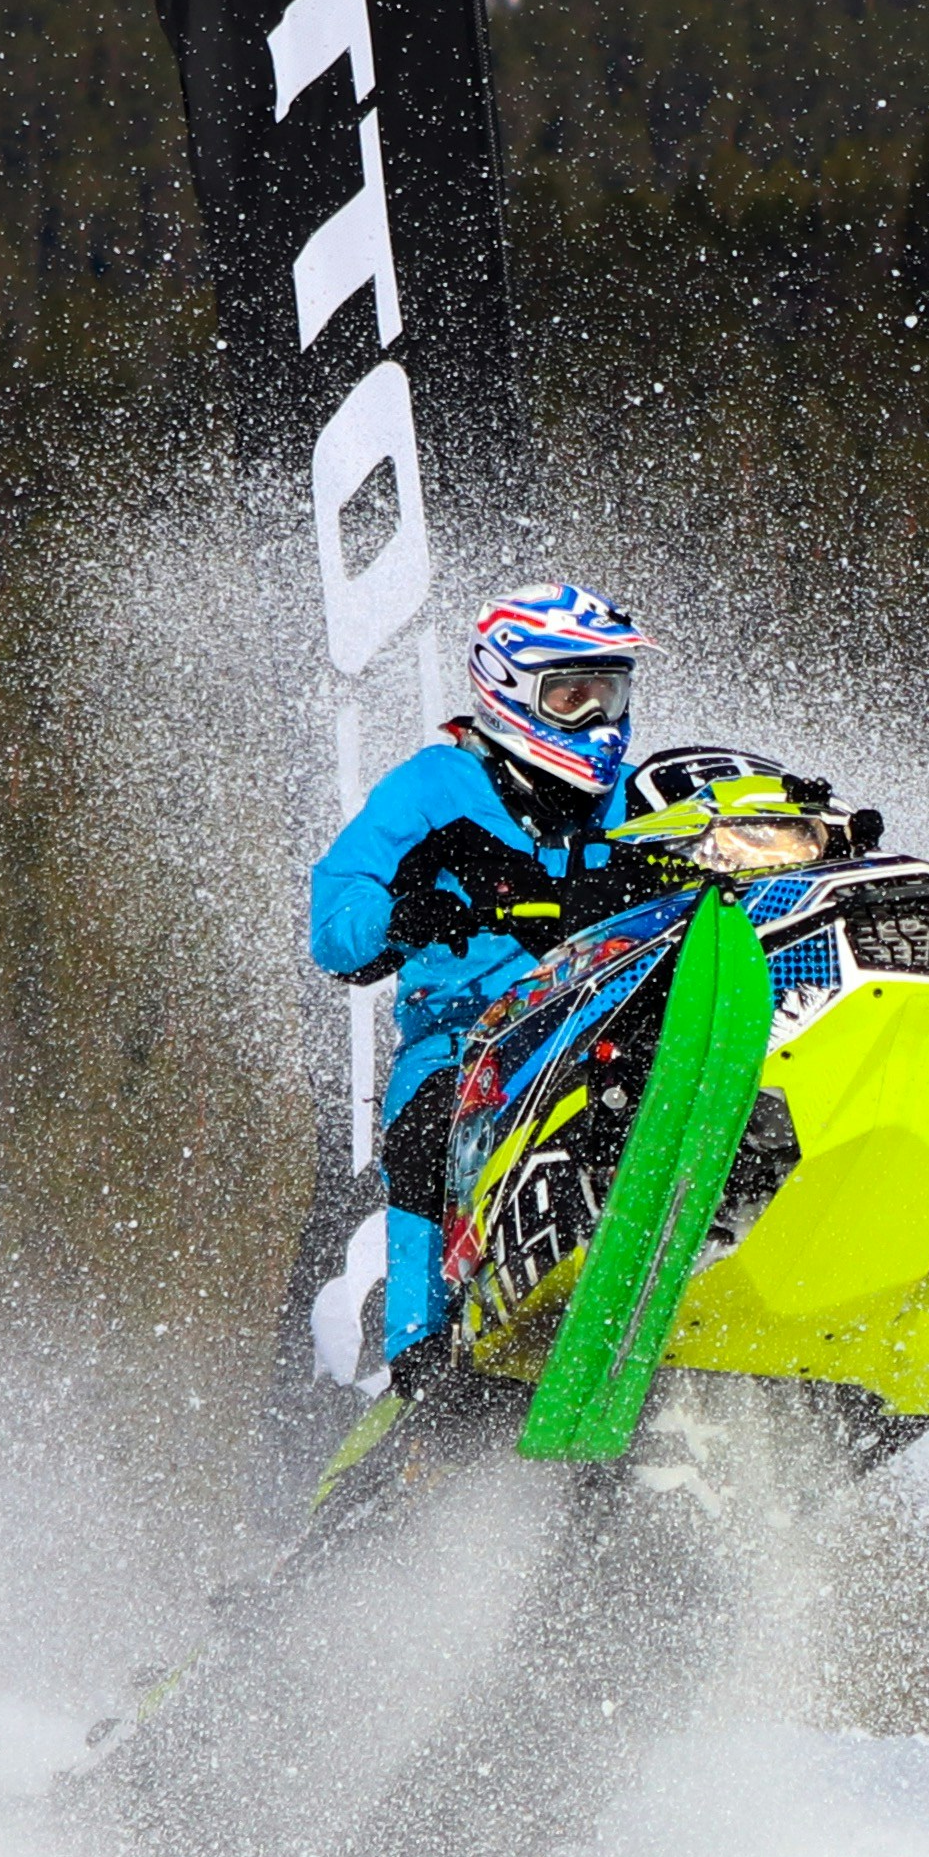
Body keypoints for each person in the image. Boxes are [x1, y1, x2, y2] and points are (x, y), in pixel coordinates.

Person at [310, 581, 648, 1387]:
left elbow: (709, 833)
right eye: (573, 697)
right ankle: (420, 1355)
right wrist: (405, 915)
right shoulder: (435, 787)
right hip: (473, 1036)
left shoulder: (634, 796)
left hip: (606, 1010)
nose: (598, 720)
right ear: (510, 690)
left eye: (609, 694)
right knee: (426, 1124)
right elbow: (337, 911)